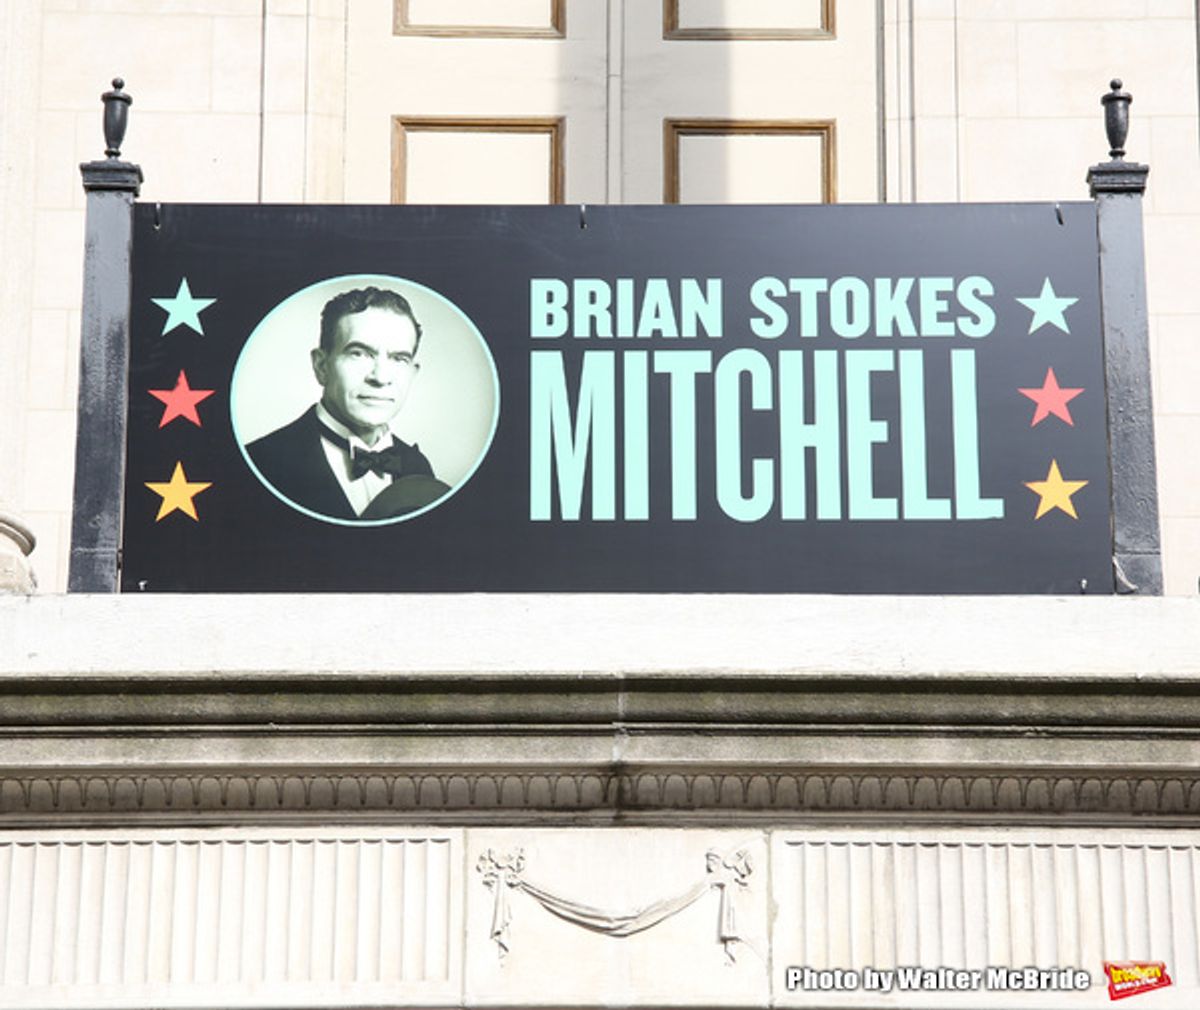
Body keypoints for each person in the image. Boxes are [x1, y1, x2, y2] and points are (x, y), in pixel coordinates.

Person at [247, 286, 449, 521]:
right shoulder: (261, 462)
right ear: (322, 366)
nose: (381, 377)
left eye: (399, 358)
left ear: (412, 374)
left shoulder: (418, 466)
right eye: (358, 353)